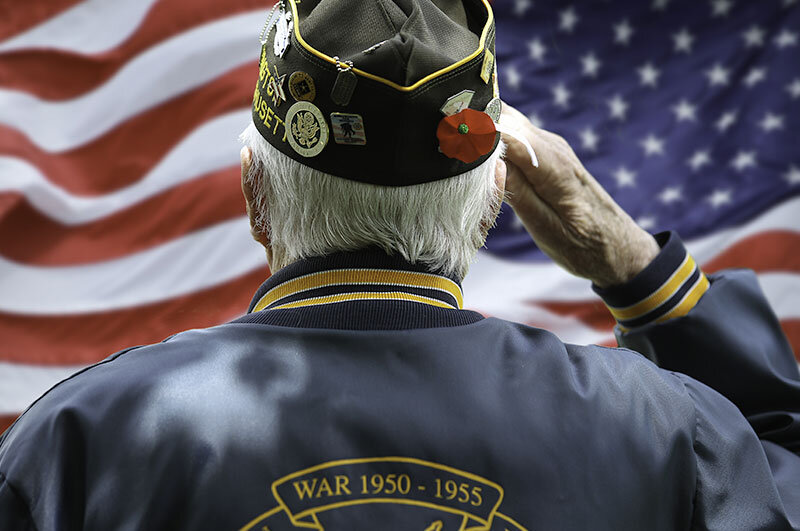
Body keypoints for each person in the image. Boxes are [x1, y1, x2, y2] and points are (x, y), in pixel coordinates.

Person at [1, 0, 799, 529]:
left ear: (253, 195)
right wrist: (640, 272)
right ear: (493, 204)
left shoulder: (79, 445)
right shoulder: (662, 433)